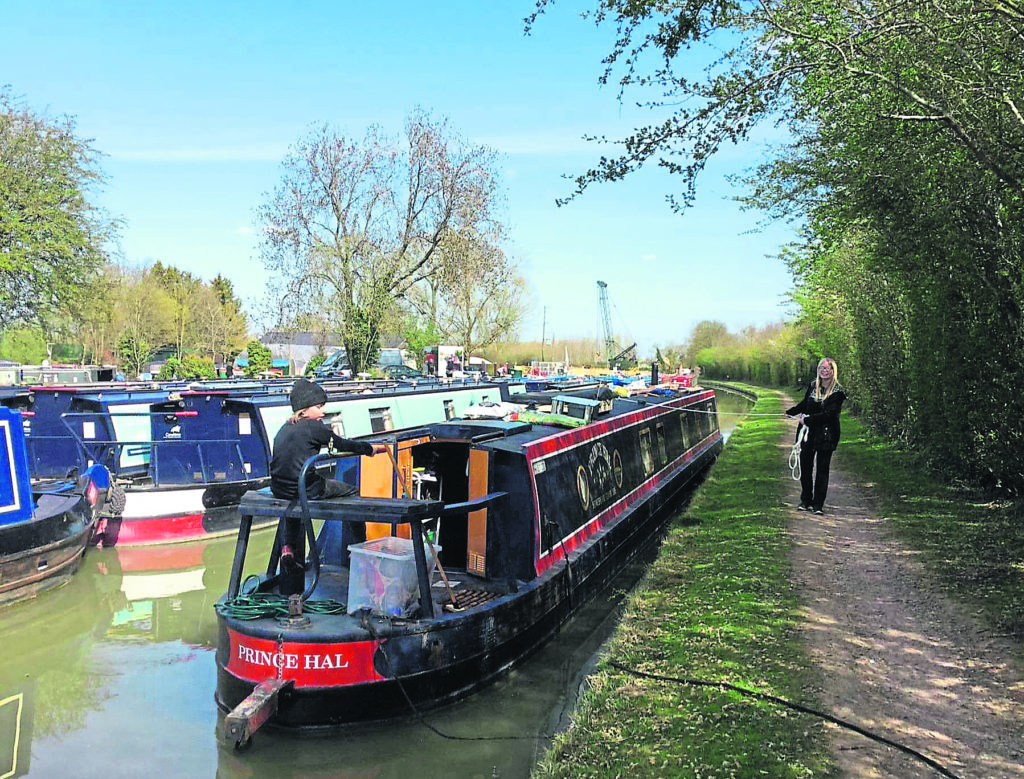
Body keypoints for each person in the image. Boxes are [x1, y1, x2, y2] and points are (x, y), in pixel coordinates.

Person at [270, 379, 388, 500]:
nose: (324, 411)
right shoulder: (313, 426)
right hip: (304, 488)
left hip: (279, 489)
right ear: (304, 410)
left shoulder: (285, 427)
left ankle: (294, 519)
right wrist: (369, 449)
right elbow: (342, 444)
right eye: (318, 407)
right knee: (352, 491)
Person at [786, 358, 847, 515]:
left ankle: (818, 504)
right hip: (808, 434)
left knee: (822, 470)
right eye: (821, 367)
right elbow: (805, 404)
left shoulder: (838, 392)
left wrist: (807, 419)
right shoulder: (813, 386)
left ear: (833, 371)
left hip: (826, 435)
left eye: (827, 368)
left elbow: (829, 414)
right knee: (805, 467)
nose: (824, 370)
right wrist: (792, 411)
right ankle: (805, 500)